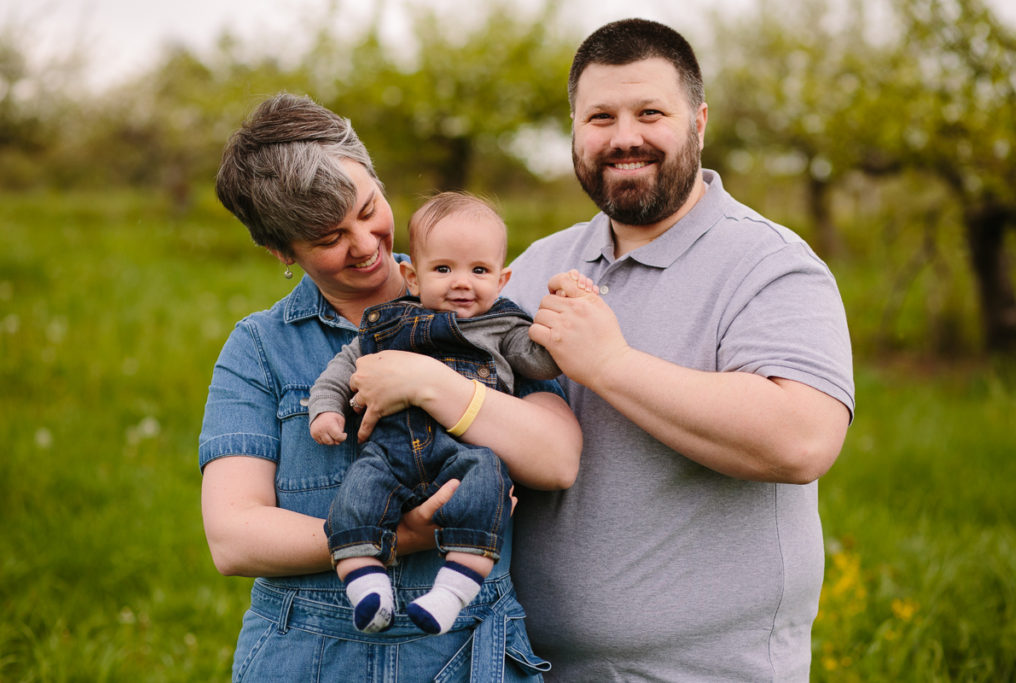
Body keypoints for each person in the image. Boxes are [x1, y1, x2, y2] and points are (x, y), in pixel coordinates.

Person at [500, 18, 855, 682]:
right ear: (574, 131)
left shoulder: (770, 264)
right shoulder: (533, 266)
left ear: (699, 122)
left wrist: (610, 364)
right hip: (526, 665)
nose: (623, 137)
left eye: (650, 113)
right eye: (600, 117)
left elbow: (803, 439)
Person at [199, 93, 581, 682]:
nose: (364, 243)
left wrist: (428, 382)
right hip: (307, 655)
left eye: (368, 208)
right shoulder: (260, 347)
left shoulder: (478, 306)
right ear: (282, 250)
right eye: (328, 237)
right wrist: (401, 536)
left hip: (467, 651)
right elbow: (234, 538)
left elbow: (556, 460)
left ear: (377, 180)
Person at [307, 191, 570, 636]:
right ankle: (368, 589)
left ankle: (451, 593)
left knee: (487, 486)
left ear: (502, 280)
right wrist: (326, 410)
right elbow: (342, 368)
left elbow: (541, 362)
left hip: (466, 451)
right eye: (444, 269)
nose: (462, 283)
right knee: (356, 494)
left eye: (479, 270)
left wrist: (562, 319)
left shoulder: (504, 326)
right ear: (412, 277)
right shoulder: (388, 323)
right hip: (390, 452)